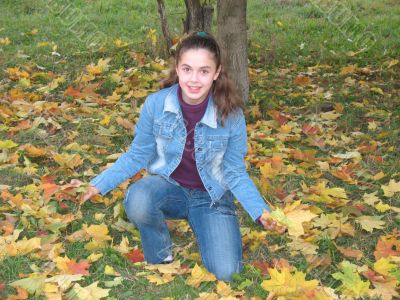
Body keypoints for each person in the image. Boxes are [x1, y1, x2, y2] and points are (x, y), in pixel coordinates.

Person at [71, 31, 286, 281]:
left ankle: (205, 221)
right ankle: (161, 253)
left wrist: (261, 212)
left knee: (227, 273)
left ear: (217, 73)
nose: (194, 79)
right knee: (138, 198)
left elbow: (235, 172)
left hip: (211, 198)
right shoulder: (156, 104)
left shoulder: (231, 116)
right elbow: (137, 155)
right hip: (169, 188)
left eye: (204, 71)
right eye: (187, 69)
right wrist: (97, 185)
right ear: (177, 69)